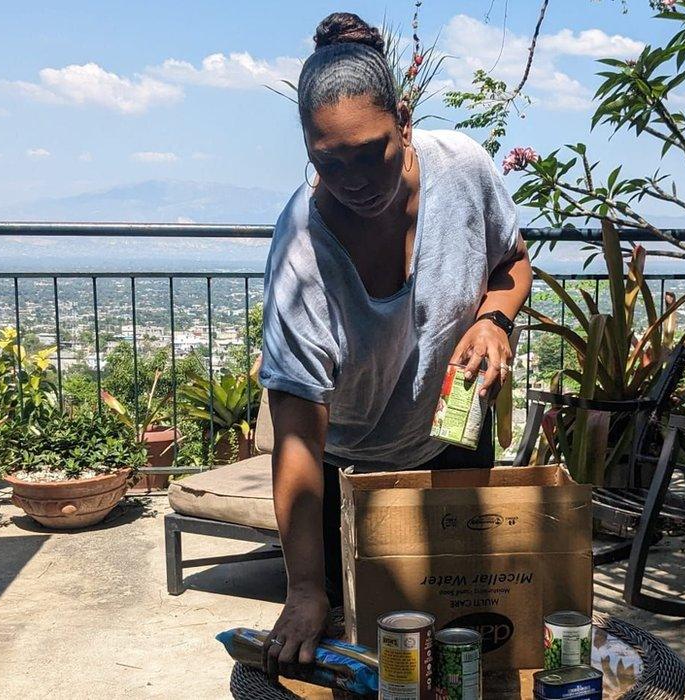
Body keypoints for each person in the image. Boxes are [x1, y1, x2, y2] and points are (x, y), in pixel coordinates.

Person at [259, 11, 532, 680]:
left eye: (370, 153)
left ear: (405, 123)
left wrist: (494, 320)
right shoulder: (302, 253)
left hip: (455, 436)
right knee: (372, 657)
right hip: (348, 474)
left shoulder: (464, 168)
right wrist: (303, 589)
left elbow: (512, 261)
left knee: (468, 641)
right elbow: (297, 438)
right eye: (329, 161)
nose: (352, 180)